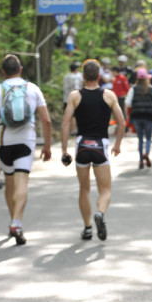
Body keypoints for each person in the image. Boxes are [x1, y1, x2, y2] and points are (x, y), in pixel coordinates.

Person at [61, 59, 125, 241]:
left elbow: (66, 123)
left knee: (84, 189)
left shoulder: (75, 96)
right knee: (105, 190)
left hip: (82, 146)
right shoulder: (109, 96)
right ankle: (100, 214)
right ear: (99, 76)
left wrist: (64, 150)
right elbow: (121, 122)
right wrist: (117, 144)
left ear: (82, 76)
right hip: (100, 146)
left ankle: (87, 227)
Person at [0, 54, 52, 245]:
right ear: (21, 69)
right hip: (26, 141)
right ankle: (16, 222)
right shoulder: (32, 88)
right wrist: (48, 146)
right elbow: (47, 120)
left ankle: (13, 223)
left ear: (3, 72)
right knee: (22, 182)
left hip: (3, 141)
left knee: (9, 182)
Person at [125, 68, 152, 169]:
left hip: (137, 116)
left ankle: (141, 160)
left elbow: (127, 102)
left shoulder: (133, 88)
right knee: (149, 138)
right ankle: (147, 153)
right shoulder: (151, 89)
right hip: (149, 116)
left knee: (140, 139)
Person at [62, 61, 83, 134]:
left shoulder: (67, 76)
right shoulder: (78, 76)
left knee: (68, 114)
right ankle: (73, 130)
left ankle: (68, 130)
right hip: (76, 98)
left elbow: (64, 88)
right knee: (74, 115)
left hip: (66, 97)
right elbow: (78, 87)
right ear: (76, 69)